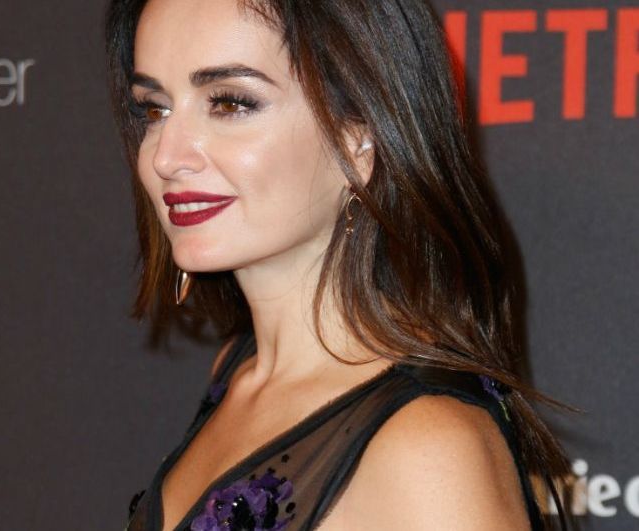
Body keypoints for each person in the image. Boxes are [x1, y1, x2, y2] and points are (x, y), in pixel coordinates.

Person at [105, 0, 579, 529]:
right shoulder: (239, 369)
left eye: (230, 103)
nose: (166, 156)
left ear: (359, 139)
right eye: (155, 109)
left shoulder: (429, 447)